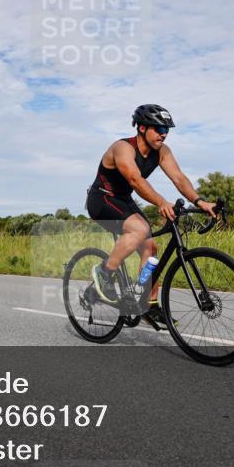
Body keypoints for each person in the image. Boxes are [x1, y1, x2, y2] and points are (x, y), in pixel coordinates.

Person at [86, 104, 217, 327]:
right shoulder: (122, 148)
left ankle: (149, 305)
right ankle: (104, 273)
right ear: (142, 128)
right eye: (158, 129)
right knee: (140, 230)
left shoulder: (162, 151)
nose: (163, 134)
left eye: (166, 129)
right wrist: (160, 202)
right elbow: (136, 180)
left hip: (124, 200)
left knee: (151, 248)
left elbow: (178, 178)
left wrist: (199, 201)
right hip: (102, 199)